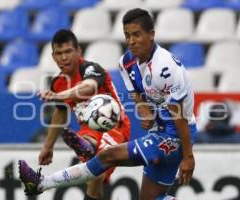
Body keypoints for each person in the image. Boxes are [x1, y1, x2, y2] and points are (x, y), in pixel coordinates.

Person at [19, 8, 197, 200]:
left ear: (151, 34)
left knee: (106, 157)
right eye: (127, 36)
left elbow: (179, 116)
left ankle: (42, 183)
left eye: (137, 34)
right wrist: (143, 108)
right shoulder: (126, 63)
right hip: (157, 130)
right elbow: (136, 93)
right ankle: (84, 147)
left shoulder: (165, 68)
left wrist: (187, 156)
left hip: (173, 134)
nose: (131, 41)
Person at [31, 29, 131, 200]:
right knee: (94, 178)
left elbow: (89, 87)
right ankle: (87, 147)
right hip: (88, 130)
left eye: (68, 51)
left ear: (79, 52)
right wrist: (48, 146)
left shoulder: (91, 68)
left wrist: (58, 96)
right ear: (53, 56)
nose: (63, 57)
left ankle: (88, 148)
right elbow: (61, 113)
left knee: (96, 171)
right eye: (59, 53)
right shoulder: (59, 82)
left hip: (114, 127)